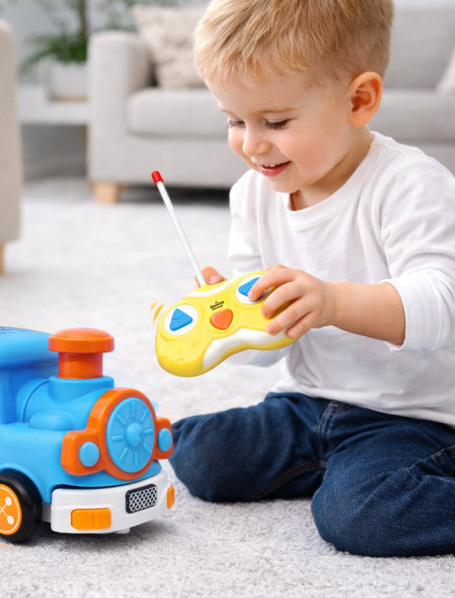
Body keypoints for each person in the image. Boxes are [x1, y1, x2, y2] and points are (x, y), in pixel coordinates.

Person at [169, 0, 455, 557]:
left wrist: (333, 302)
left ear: (358, 100)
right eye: (235, 121)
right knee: (201, 456)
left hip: (415, 418)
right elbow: (270, 349)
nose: (252, 144)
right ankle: (343, 467)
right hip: (307, 405)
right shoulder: (251, 195)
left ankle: (366, 476)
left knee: (359, 516)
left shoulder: (410, 184)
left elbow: (443, 304)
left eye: (275, 122)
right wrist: (232, 321)